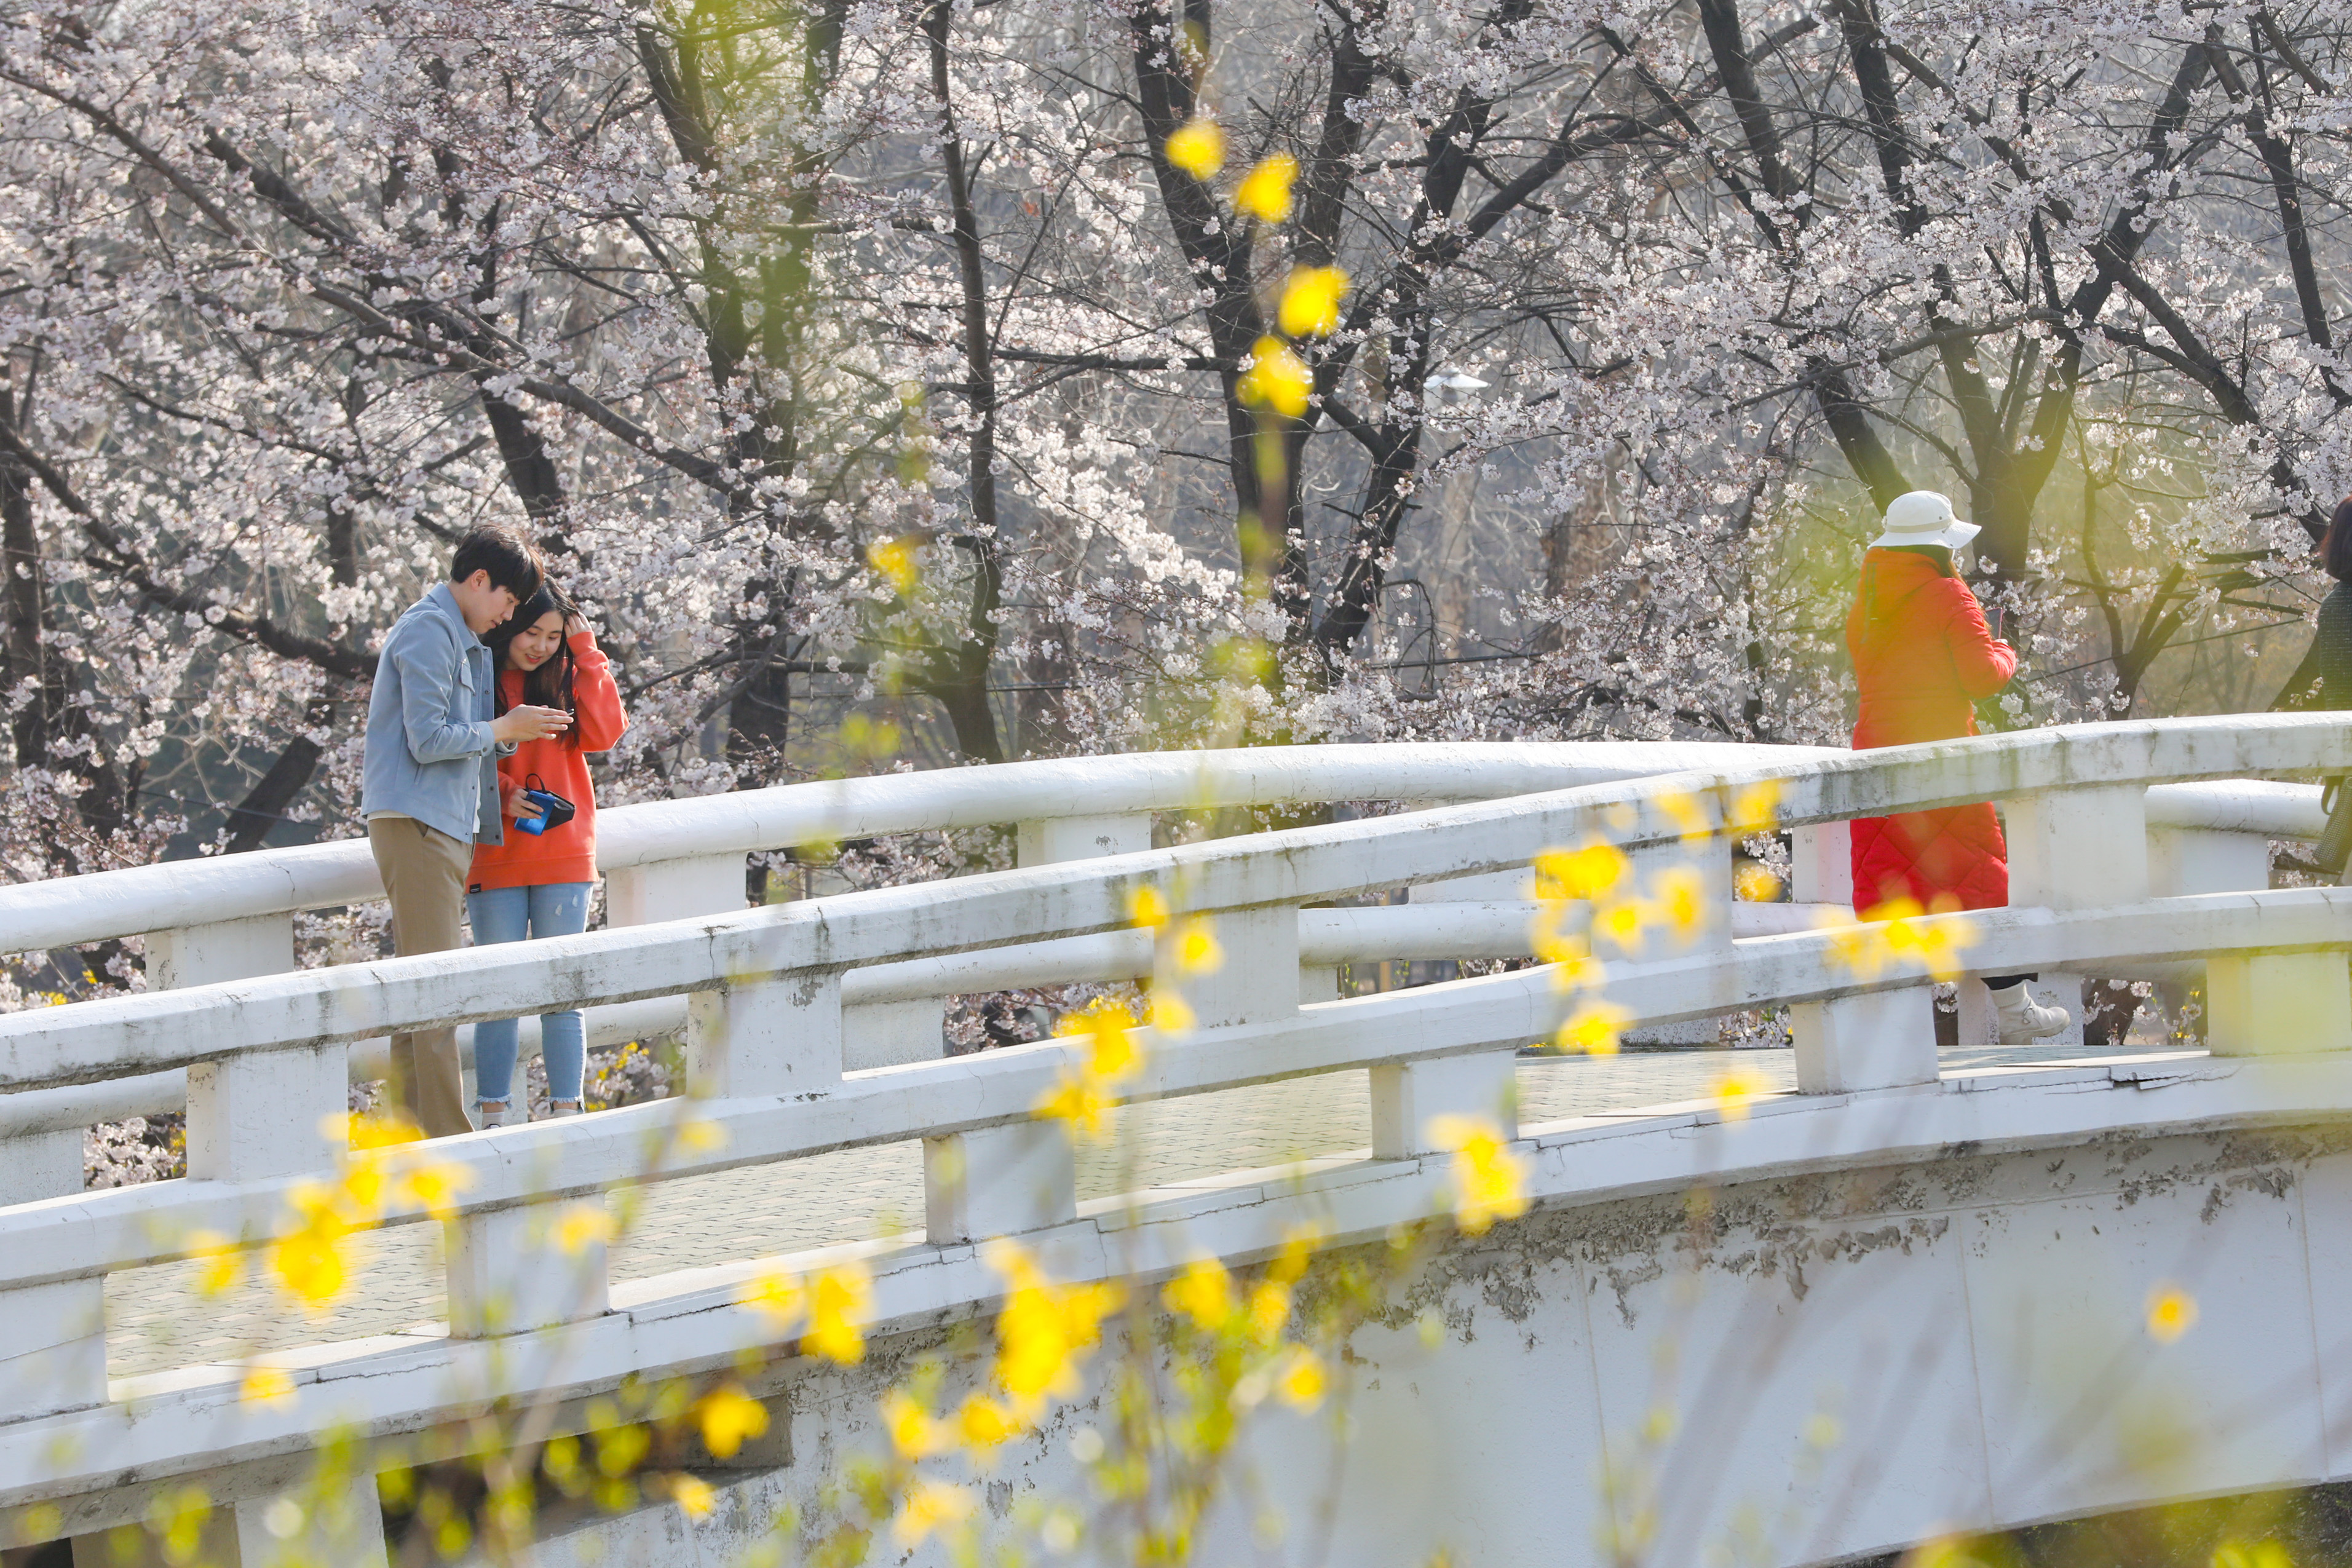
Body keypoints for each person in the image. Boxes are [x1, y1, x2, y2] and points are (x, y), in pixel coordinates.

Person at [362, 526, 572, 1136]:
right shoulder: (430, 631)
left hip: (438, 824)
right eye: (508, 602)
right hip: (418, 822)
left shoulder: (459, 636)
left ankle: (407, 1137)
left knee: (419, 991)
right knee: (434, 992)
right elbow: (428, 739)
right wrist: (506, 728)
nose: (510, 616)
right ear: (479, 581)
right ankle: (448, 1146)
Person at [1846, 490, 2069, 1044]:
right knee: (1977, 877)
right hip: (1942, 754)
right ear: (1940, 545)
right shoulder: (1950, 595)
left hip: (1876, 753)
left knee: (1889, 881)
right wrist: (2005, 652)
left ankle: (1887, 1032)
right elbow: (1980, 678)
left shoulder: (1868, 600)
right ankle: (2015, 1010)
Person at [464, 582, 627, 1124]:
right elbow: (457, 756)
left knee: (563, 991)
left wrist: (586, 652)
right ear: (509, 623)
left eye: (552, 636)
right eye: (531, 631)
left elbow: (606, 733)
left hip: (563, 852)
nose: (539, 645)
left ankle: (566, 1111)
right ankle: (492, 1112)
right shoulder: (479, 682)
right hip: (495, 853)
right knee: (499, 994)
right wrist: (505, 796)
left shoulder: (565, 679)